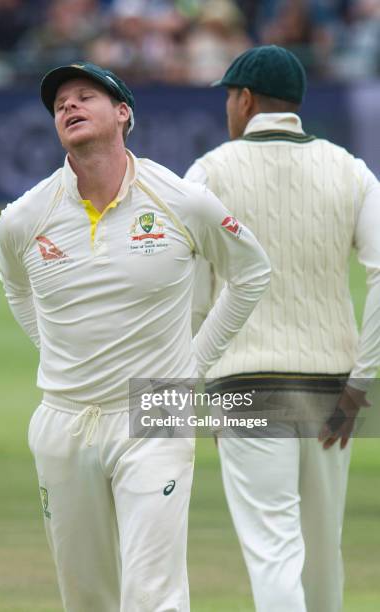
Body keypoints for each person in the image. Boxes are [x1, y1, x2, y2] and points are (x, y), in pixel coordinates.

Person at [0, 61, 270, 611]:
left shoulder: (179, 198)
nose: (69, 106)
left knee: (152, 593)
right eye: (59, 104)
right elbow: (16, 288)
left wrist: (194, 363)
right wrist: (50, 350)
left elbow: (251, 272)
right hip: (63, 418)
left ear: (123, 114)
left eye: (84, 97)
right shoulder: (24, 218)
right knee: (86, 595)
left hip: (154, 411)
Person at [186, 45, 380, 612]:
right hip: (332, 391)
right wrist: (362, 383)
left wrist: (196, 391)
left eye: (229, 96)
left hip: (243, 384)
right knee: (322, 553)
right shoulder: (350, 169)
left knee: (273, 550)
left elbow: (190, 295)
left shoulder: (209, 171)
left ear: (244, 100)